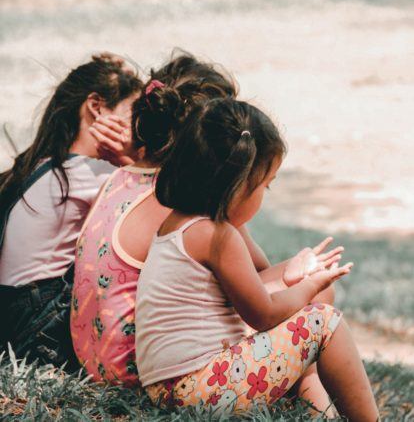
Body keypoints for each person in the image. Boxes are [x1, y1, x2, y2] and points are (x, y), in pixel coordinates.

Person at [135, 98, 379, 420]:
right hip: (201, 388)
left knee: (315, 303)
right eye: (265, 185)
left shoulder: (180, 224)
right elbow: (262, 314)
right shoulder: (217, 236)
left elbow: (240, 289)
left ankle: (320, 413)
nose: (265, 194)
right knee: (323, 321)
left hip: (170, 387)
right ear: (237, 185)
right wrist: (311, 286)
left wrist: (291, 275)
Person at [70, 52, 237, 385]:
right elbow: (250, 286)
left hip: (93, 359)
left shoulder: (115, 178)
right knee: (310, 302)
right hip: (140, 368)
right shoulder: (177, 202)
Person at [0, 53, 142, 370]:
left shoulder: (42, 163)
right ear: (96, 106)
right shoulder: (91, 174)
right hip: (40, 328)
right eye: (132, 112)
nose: (136, 127)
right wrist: (131, 161)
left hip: (14, 318)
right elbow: (157, 208)